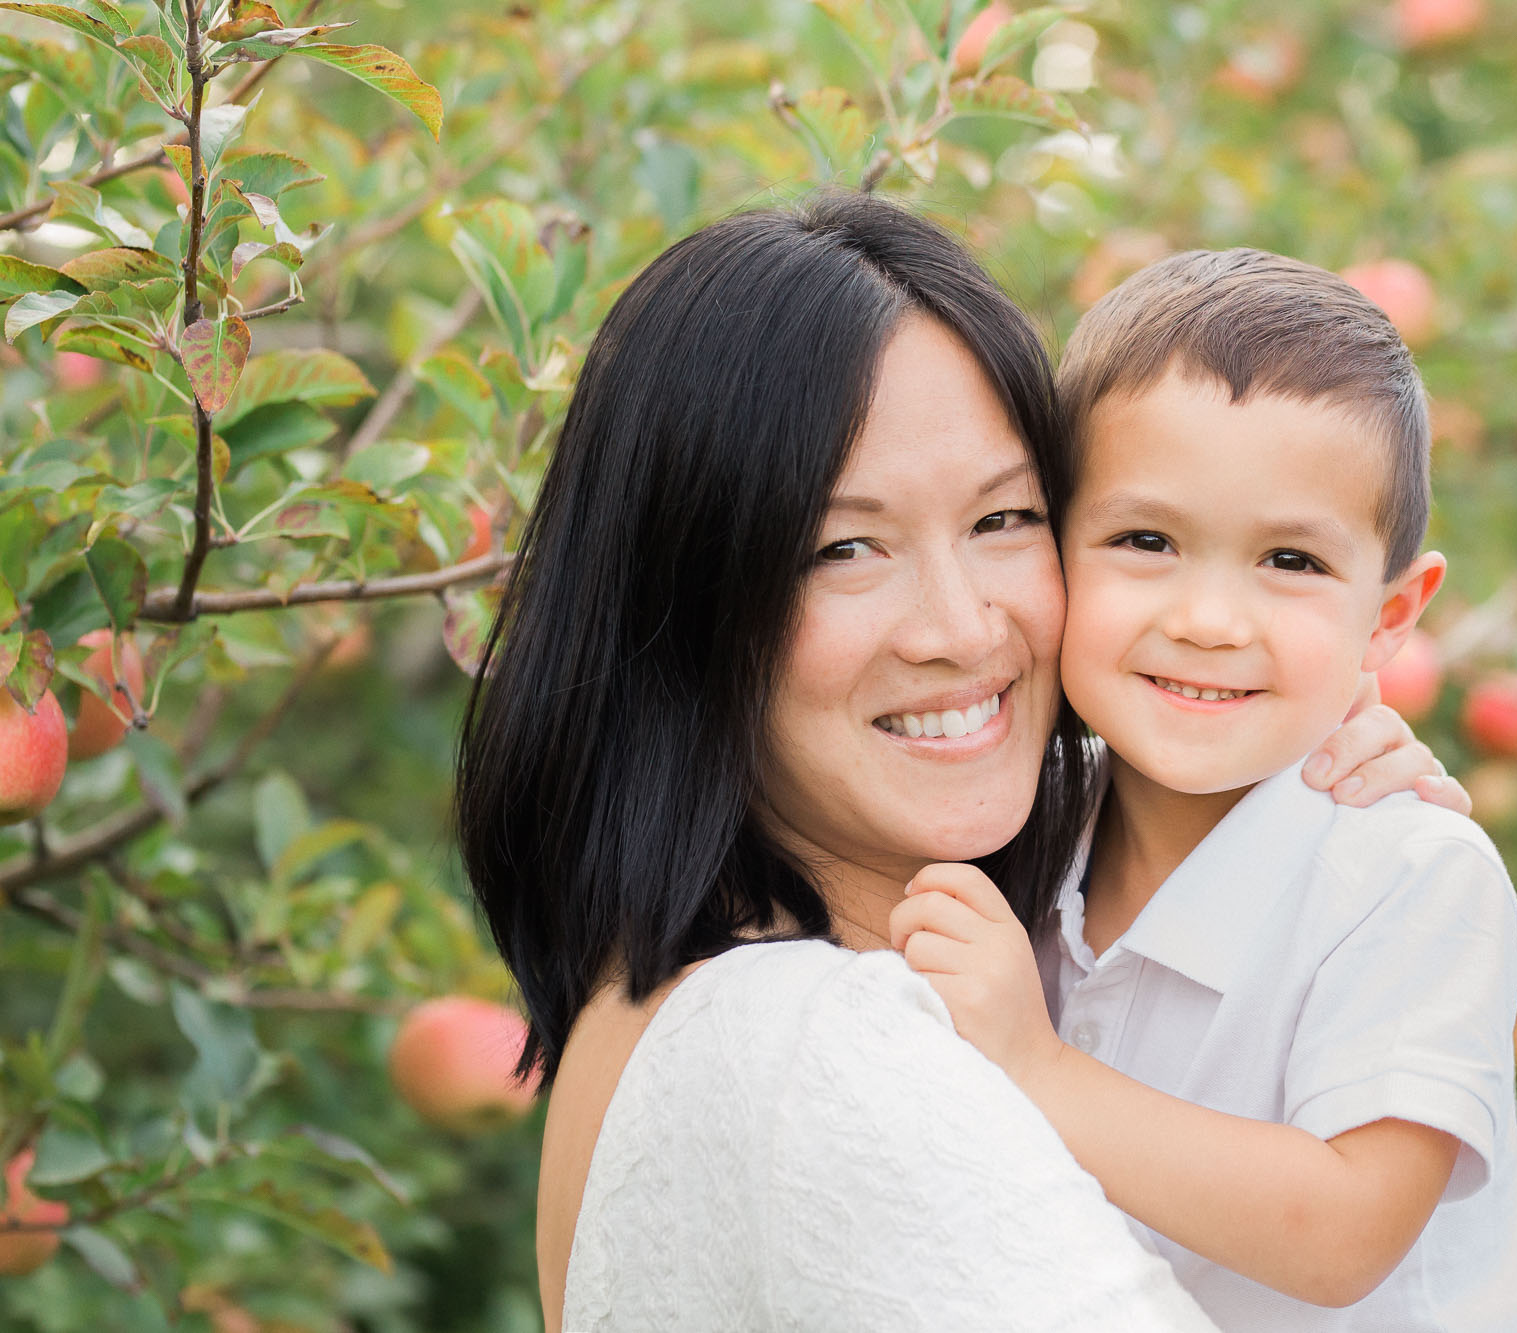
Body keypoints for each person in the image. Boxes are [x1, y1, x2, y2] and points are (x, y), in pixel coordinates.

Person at [453, 194, 1465, 1332]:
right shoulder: (825, 1051)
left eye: (1004, 520)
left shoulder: (685, 996)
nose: (962, 628)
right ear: (689, 603)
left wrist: (1299, 761)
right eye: (844, 547)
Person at [893, 249, 1517, 1330]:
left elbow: (1342, 1231)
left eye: (1290, 562)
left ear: (1393, 611)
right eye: (1145, 541)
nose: (1210, 619)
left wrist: (1032, 1062)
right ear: (1052, 550)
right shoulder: (1020, 817)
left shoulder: (1404, 870)